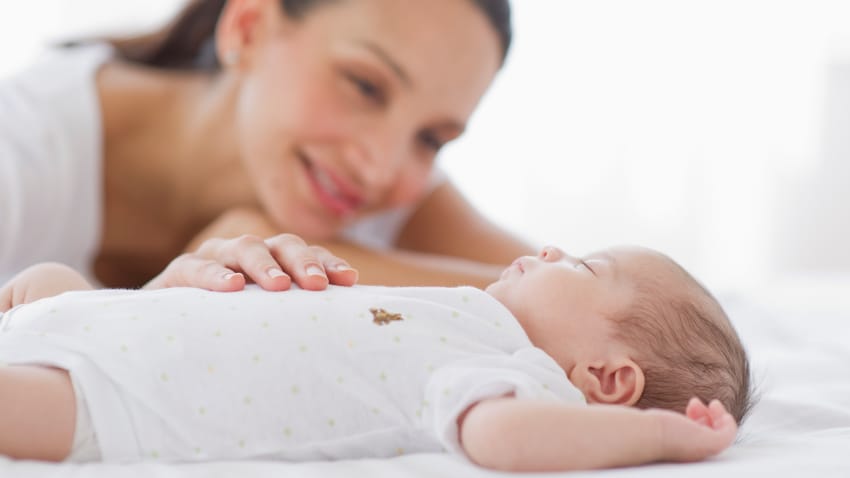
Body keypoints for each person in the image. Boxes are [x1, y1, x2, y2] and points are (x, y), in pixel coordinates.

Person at [0, 243, 751, 471]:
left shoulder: (520, 377)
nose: (551, 250)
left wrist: (662, 438)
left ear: (609, 379)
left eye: (582, 268)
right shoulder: (471, 313)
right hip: (112, 315)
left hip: (120, 395)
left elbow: (500, 440)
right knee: (51, 283)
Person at [0, 0, 531, 290]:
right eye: (365, 86)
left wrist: (251, 242)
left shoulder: (397, 195)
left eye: (431, 139)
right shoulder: (23, 145)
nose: (381, 168)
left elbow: (602, 315)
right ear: (249, 27)